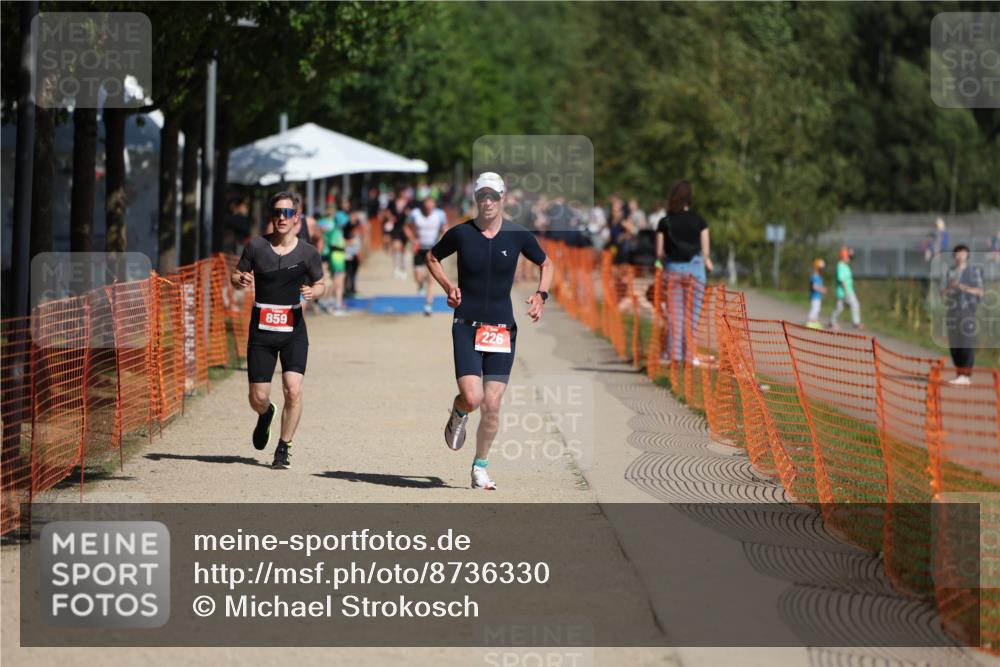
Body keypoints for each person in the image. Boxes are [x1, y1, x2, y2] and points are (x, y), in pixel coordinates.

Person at [426, 172, 554, 490]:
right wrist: (447, 286)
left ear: (503, 198)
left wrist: (541, 295)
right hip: (466, 326)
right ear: (475, 199)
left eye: (493, 197)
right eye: (482, 196)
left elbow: (547, 264)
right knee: (473, 397)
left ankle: (480, 467)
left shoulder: (518, 235)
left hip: (502, 329)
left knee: (492, 405)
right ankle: (459, 410)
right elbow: (431, 257)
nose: (487, 202)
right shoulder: (461, 234)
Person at [231, 191, 325, 468]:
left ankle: (284, 447)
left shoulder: (308, 252)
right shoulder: (257, 247)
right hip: (261, 329)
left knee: (293, 389)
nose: (281, 218)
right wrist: (241, 279)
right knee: (257, 397)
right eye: (277, 212)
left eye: (287, 213)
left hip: (293, 328)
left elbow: (322, 283)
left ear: (297, 217)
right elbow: (236, 274)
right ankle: (266, 413)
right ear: (271, 216)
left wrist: (313, 292)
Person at [656, 179, 713, 363]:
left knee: (676, 316)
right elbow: (705, 252)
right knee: (692, 316)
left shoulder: (664, 222)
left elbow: (659, 252)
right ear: (690, 198)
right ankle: (689, 355)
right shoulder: (700, 221)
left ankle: (676, 355)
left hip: (673, 269)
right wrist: (706, 261)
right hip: (695, 270)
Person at [941, 244, 984, 385]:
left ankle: (966, 374)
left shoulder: (973, 272)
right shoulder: (949, 272)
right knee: (954, 344)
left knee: (966, 342)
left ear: (967, 255)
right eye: (958, 253)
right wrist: (950, 286)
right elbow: (943, 294)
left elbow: (980, 291)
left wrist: (965, 288)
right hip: (953, 311)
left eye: (963, 253)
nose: (960, 256)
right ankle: (960, 373)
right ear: (954, 256)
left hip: (968, 310)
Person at [408, 196, 448, 316]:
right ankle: (420, 284)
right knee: (418, 277)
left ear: (434, 205)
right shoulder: (415, 214)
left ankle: (428, 306)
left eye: (431, 206)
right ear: (423, 206)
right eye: (427, 206)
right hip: (419, 249)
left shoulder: (440, 214)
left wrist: (445, 238)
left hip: (433, 249)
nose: (429, 208)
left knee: (431, 279)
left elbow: (444, 228)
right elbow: (406, 227)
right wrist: (413, 239)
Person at [829, 246, 863, 330]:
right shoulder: (840, 266)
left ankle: (832, 321)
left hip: (847, 290)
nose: (850, 259)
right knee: (855, 305)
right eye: (849, 257)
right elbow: (842, 279)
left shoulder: (845, 266)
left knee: (839, 307)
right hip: (845, 291)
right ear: (844, 256)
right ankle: (856, 323)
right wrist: (847, 292)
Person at [807, 259, 827, 329]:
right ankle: (810, 321)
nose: (822, 270)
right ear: (817, 268)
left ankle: (814, 321)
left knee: (817, 309)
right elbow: (814, 287)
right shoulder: (815, 277)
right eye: (821, 269)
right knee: (815, 309)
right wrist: (822, 289)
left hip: (818, 297)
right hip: (815, 296)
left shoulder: (819, 277)